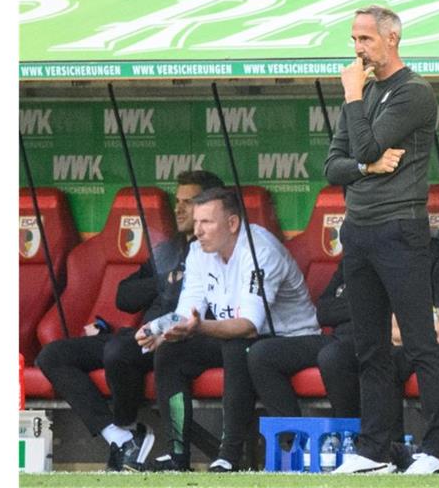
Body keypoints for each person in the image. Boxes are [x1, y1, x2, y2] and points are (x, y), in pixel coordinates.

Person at [323, 4, 439, 474]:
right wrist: (366, 168)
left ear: (392, 38)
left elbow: (365, 145)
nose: (358, 50)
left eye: (366, 40)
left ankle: (438, 450)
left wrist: (353, 99)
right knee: (370, 347)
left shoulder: (413, 92)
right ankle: (375, 450)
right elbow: (335, 163)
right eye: (354, 41)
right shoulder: (364, 93)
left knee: (420, 343)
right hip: (357, 231)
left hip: (400, 228)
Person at [35, 170, 224, 471]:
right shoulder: (168, 251)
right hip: (140, 336)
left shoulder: (219, 249)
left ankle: (128, 424)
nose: (179, 209)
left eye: (189, 202)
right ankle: (122, 435)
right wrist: (164, 280)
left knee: (119, 350)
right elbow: (125, 297)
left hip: (179, 342)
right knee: (53, 355)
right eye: (178, 201)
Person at [138, 187, 322, 472]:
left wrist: (198, 327)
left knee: (238, 346)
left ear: (232, 223)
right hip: (242, 336)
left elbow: (248, 326)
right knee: (170, 352)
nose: (197, 231)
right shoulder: (198, 251)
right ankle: (177, 453)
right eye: (196, 223)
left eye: (206, 222)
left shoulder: (260, 250)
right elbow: (187, 310)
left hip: (291, 338)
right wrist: (157, 328)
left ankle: (229, 455)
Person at [316, 238, 439, 444]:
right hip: (395, 342)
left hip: (437, 348)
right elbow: (327, 312)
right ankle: (379, 448)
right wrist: (414, 321)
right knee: (348, 357)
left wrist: (392, 323)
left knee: (428, 357)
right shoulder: (367, 253)